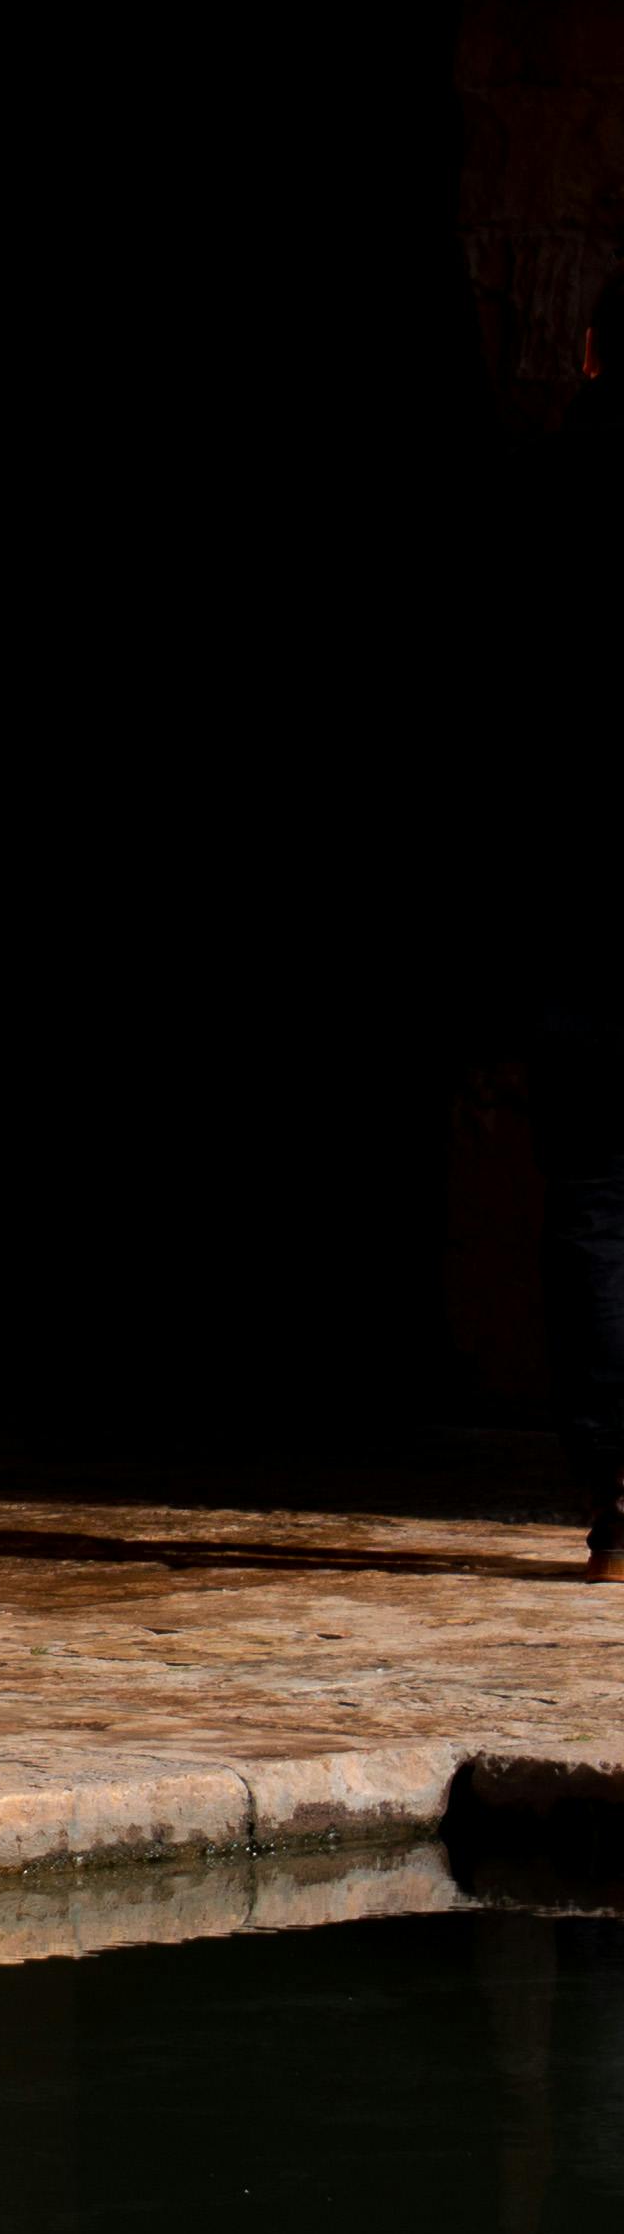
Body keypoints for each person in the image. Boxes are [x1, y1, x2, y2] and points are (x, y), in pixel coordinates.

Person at [519, 272, 624, 1577]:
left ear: (591, 350)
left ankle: (614, 1485)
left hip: (574, 909)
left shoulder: (528, 500)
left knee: (594, 1198)